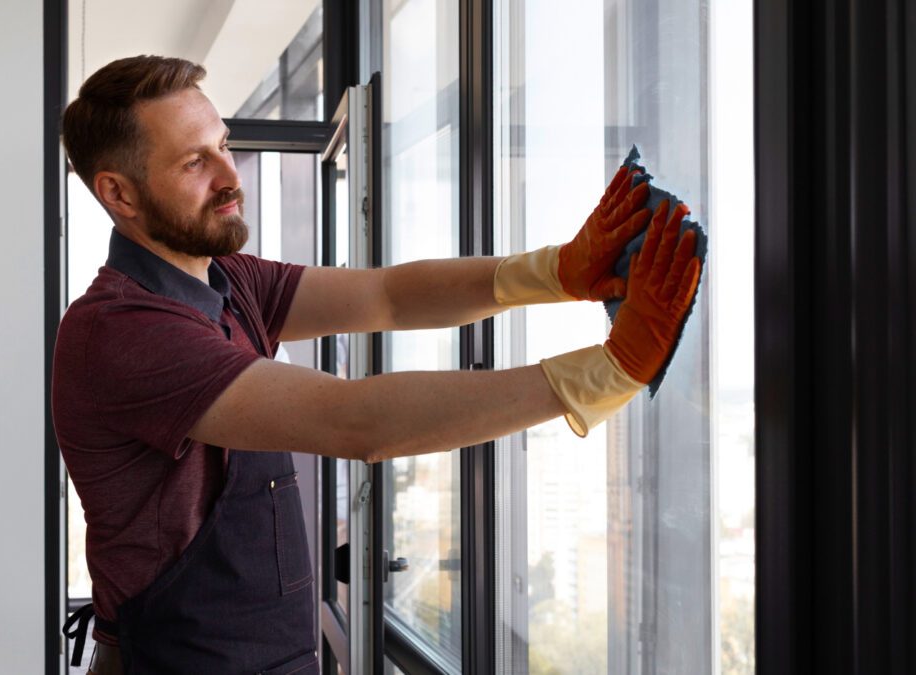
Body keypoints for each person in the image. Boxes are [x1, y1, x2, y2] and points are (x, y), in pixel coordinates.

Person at [53, 55, 701, 675]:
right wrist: (603, 372)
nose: (230, 177)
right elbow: (354, 421)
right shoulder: (120, 330)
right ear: (120, 194)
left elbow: (387, 295)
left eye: (223, 144)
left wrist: (557, 270)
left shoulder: (226, 280)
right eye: (196, 161)